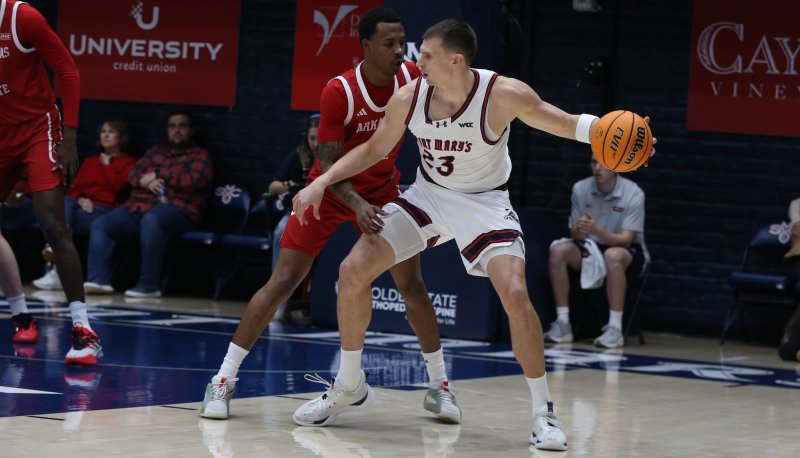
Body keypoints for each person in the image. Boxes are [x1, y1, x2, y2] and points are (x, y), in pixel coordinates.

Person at [293, 18, 655, 451]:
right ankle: (349, 384)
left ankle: (544, 414)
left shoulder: (502, 94)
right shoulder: (409, 97)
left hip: (485, 204)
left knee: (516, 294)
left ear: (455, 59)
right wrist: (320, 180)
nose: (416, 61)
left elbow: (566, 123)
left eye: (426, 55)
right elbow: (372, 149)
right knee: (353, 271)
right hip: (428, 196)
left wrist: (616, 137)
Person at [200, 7, 460, 425]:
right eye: (389, 43)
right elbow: (328, 163)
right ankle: (223, 381)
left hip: (384, 192)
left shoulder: (411, 76)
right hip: (332, 191)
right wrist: (357, 206)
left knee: (411, 284)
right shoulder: (338, 91)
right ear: (366, 47)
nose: (399, 50)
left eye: (402, 42)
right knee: (282, 282)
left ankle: (440, 387)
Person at [0, 0, 102, 364]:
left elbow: (68, 71)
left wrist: (70, 137)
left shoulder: (21, 17)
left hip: (36, 130)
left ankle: (83, 330)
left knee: (52, 223)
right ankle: (21, 315)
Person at [83, 110, 214, 298]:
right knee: (102, 224)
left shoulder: (200, 156)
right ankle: (98, 280)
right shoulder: (155, 152)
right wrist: (145, 181)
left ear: (191, 131)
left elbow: (192, 181)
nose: (177, 130)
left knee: (153, 220)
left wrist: (159, 175)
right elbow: (133, 175)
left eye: (182, 126)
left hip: (179, 210)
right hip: (140, 207)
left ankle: (149, 285)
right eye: (172, 126)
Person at [545, 156, 648, 349]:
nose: (598, 168)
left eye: (604, 163)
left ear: (616, 166)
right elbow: (574, 234)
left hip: (626, 250)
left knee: (613, 256)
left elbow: (627, 239)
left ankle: (615, 329)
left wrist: (596, 230)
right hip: (590, 246)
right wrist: (580, 228)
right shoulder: (580, 189)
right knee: (558, 251)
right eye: (594, 162)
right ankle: (563, 322)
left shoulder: (634, 193)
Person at [32, 118, 138, 290]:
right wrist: (81, 199)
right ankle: (56, 261)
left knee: (65, 223)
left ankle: (56, 270)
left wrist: (108, 165)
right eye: (103, 131)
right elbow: (74, 189)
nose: (106, 135)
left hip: (107, 211)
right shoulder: (90, 161)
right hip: (83, 210)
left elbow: (119, 189)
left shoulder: (130, 162)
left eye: (111, 131)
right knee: (65, 202)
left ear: (122, 137)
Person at [269, 114, 318, 320]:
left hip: (329, 215)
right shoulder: (300, 155)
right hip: (299, 213)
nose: (316, 144)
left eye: (320, 138)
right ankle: (277, 299)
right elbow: (272, 186)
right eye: (312, 138)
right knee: (281, 230)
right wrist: (290, 185)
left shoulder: (336, 156)